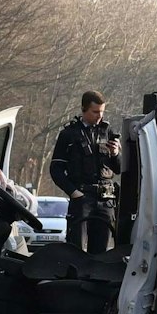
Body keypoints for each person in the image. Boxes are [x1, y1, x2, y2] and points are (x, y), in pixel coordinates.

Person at [49, 90, 122, 252]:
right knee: (77, 249)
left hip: (106, 199)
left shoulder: (108, 132)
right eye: (95, 112)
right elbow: (56, 169)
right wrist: (73, 192)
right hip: (82, 197)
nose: (99, 116)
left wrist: (116, 154)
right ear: (83, 109)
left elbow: (119, 168)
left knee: (102, 251)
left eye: (102, 112)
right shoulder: (68, 134)